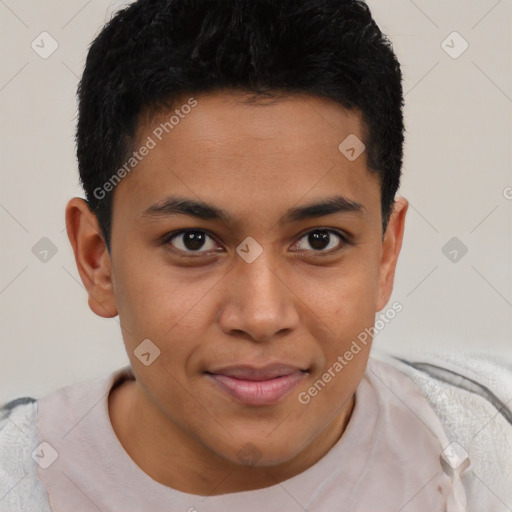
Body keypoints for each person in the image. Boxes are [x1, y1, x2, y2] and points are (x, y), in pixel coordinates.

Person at [1, 1, 510, 510]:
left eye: (319, 240)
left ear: (385, 254)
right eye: (194, 241)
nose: (261, 316)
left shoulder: (492, 440)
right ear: (98, 261)